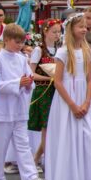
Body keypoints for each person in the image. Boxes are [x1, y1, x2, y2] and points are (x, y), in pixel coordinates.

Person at [44, 13, 91, 180]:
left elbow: (89, 80)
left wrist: (87, 103)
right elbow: (58, 82)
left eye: (85, 27)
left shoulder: (87, 51)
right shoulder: (63, 52)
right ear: (71, 29)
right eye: (80, 26)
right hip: (67, 101)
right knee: (68, 139)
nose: (84, 29)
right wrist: (73, 105)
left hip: (84, 100)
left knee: (87, 139)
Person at [0, 23, 45, 180]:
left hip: (19, 108)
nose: (20, 45)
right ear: (6, 40)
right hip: (1, 111)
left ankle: (30, 178)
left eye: (21, 42)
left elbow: (30, 79)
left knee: (23, 145)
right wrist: (18, 83)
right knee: (0, 147)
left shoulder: (21, 59)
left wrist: (27, 83)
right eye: (16, 42)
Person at [28, 19, 62, 170]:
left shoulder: (60, 49)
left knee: (55, 126)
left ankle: (36, 158)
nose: (57, 35)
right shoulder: (39, 50)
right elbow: (31, 74)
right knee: (46, 127)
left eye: (59, 32)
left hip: (58, 90)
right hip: (44, 91)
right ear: (45, 32)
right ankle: (47, 161)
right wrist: (50, 78)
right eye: (54, 31)